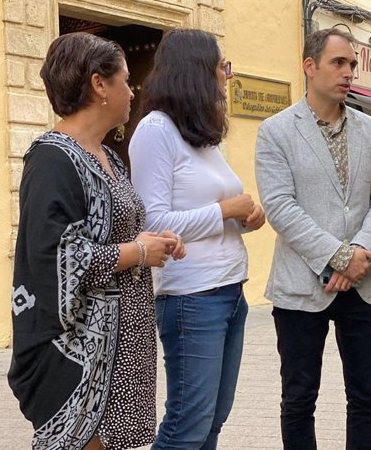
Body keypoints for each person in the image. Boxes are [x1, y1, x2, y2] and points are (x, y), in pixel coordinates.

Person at [8, 32, 184, 450]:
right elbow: (53, 258)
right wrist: (138, 251)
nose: (131, 91)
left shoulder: (107, 156)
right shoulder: (52, 159)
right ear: (98, 85)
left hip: (123, 354)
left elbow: (110, 233)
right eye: (125, 80)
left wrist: (149, 240)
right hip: (80, 359)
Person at [255, 27, 371, 450]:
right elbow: (280, 207)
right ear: (310, 66)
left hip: (365, 284)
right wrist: (338, 257)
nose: (349, 72)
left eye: (352, 64)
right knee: (298, 401)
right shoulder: (276, 131)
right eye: (339, 62)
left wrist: (357, 257)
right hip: (301, 286)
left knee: (367, 399)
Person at [129, 28, 265, 450]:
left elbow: (215, 209)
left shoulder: (202, 138)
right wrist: (226, 211)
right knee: (187, 426)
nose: (226, 77)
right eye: (221, 67)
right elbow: (155, 223)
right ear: (195, 72)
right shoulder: (155, 131)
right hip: (191, 297)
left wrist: (247, 217)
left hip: (229, 292)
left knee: (212, 423)